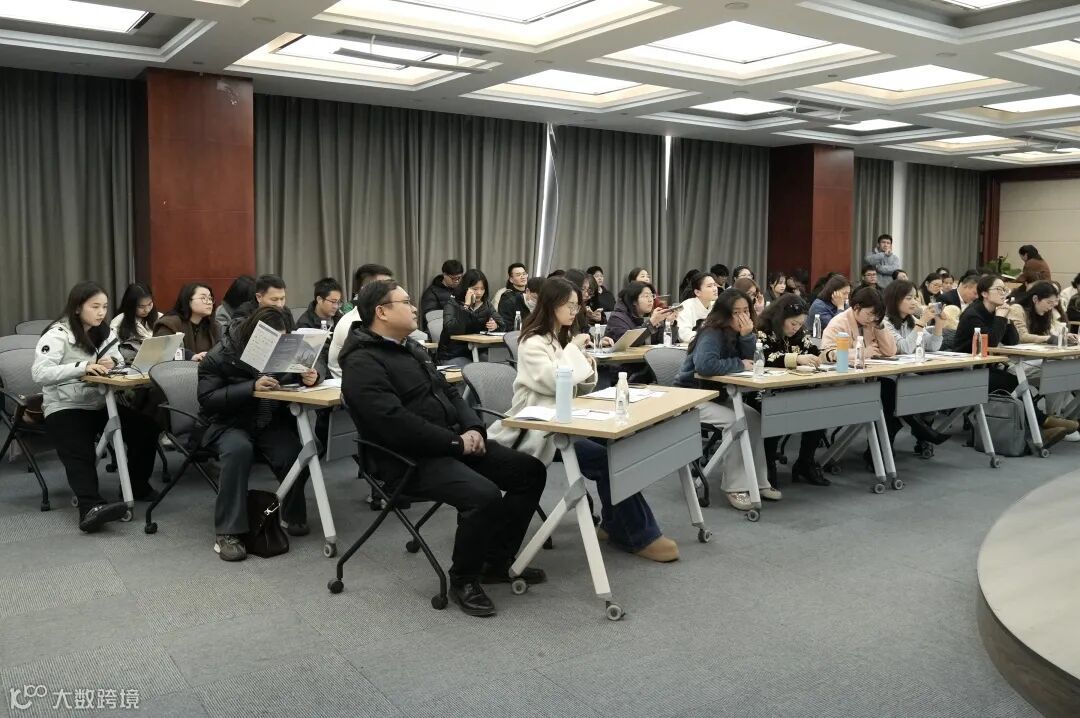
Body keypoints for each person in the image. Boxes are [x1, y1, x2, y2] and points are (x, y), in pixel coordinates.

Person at [340, 280, 547, 617]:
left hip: (450, 444)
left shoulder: (411, 348)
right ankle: (464, 579)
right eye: (406, 302)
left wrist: (473, 428)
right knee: (483, 495)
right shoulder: (361, 362)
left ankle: (496, 561)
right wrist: (455, 442)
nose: (414, 308)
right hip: (406, 459)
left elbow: (450, 394)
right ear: (382, 312)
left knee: (529, 471)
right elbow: (394, 424)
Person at [489, 278, 679, 561]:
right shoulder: (532, 341)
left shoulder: (557, 338)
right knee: (604, 460)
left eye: (577, 305)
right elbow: (555, 381)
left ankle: (616, 524)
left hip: (567, 419)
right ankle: (639, 535)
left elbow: (580, 386)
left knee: (618, 447)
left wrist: (583, 358)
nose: (574, 311)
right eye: (569, 305)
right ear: (551, 304)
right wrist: (574, 351)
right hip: (540, 426)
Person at [33, 281, 161, 532]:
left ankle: (137, 485)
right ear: (77, 307)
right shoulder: (57, 334)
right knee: (80, 450)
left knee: (147, 428)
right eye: (95, 307)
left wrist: (112, 362)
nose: (102, 312)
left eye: (104, 306)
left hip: (98, 402)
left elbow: (119, 359)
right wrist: (83, 367)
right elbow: (40, 373)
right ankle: (90, 508)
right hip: (64, 405)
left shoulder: (104, 332)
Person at [198, 307, 322, 561]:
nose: (278, 345)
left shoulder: (284, 345)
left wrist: (313, 376)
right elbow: (207, 399)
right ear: (255, 334)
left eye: (282, 340)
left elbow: (312, 364)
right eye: (272, 340)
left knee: (295, 453)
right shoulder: (221, 355)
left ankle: (292, 514)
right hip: (229, 422)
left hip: (267, 421)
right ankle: (228, 532)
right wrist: (251, 387)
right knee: (238, 450)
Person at [675, 289, 776, 508]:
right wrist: (738, 364)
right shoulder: (711, 332)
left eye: (746, 311)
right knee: (736, 422)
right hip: (691, 397)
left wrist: (747, 336)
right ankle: (735, 487)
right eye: (736, 312)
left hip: (716, 396)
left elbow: (750, 359)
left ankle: (758, 481)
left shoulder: (738, 331)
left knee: (754, 418)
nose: (742, 316)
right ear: (724, 313)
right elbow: (705, 365)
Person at [951, 275, 1077, 447]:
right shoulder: (973, 314)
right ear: (984, 294)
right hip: (966, 370)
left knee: (1015, 381)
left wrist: (1007, 318)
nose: (1003, 293)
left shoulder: (996, 312)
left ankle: (1041, 425)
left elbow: (1013, 341)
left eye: (1005, 289)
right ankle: (1040, 428)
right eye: (999, 289)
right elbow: (990, 343)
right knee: (1012, 382)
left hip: (985, 367)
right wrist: (1001, 318)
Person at [754, 295, 835, 487]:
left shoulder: (800, 333)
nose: (796, 328)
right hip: (766, 393)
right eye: (793, 323)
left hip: (795, 389)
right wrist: (796, 359)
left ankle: (806, 462)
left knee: (818, 410)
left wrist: (829, 355)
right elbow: (765, 356)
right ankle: (768, 465)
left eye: (800, 324)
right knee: (775, 414)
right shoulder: (763, 331)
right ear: (780, 318)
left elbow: (812, 351)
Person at [880, 280, 950, 454]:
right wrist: (922, 322)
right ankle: (923, 434)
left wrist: (939, 323)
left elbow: (933, 346)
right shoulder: (884, 321)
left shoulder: (911, 320)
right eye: (909, 298)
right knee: (905, 393)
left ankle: (922, 436)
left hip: (906, 374)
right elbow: (903, 348)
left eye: (916, 298)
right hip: (886, 376)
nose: (914, 303)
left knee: (928, 388)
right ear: (895, 299)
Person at [330, 264, 394, 378]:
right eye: (384, 286)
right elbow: (369, 367)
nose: (391, 291)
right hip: (347, 383)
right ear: (365, 290)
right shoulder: (352, 323)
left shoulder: (380, 315)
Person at [437, 268, 504, 367]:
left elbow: (502, 324)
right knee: (473, 371)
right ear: (466, 288)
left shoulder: (486, 304)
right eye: (475, 289)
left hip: (477, 351)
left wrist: (495, 325)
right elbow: (452, 329)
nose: (479, 293)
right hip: (453, 354)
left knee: (497, 366)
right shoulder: (452, 303)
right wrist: (466, 306)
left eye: (482, 289)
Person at [821, 286, 896, 361]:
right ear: (856, 307)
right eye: (869, 314)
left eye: (876, 315)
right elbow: (828, 354)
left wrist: (880, 325)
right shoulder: (838, 323)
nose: (871, 319)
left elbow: (890, 352)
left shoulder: (874, 322)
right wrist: (862, 353)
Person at [154, 282, 221, 361]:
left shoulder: (213, 326)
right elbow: (162, 348)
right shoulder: (170, 323)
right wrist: (190, 356)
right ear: (188, 300)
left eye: (210, 298)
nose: (209, 302)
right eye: (203, 298)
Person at [604, 281, 677, 345]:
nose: (651, 300)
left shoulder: (650, 315)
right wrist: (651, 323)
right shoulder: (617, 318)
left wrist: (669, 323)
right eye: (646, 296)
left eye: (652, 296)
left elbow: (664, 341)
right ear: (634, 301)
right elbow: (628, 343)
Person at [111, 283, 158, 363]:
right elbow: (112, 351)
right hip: (131, 365)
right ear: (130, 305)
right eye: (141, 306)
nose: (147, 310)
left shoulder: (159, 317)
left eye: (150, 304)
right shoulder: (118, 322)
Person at [229, 274, 293, 333]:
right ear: (259, 297)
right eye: (274, 299)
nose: (279, 304)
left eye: (282, 299)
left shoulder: (285, 311)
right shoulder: (243, 313)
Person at [419, 259, 464, 331]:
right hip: (442, 331)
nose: (456, 281)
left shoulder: (463, 289)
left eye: (459, 278)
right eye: (453, 278)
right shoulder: (432, 293)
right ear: (444, 275)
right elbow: (430, 317)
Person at [676, 271, 718, 344]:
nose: (715, 289)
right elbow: (684, 335)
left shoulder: (716, 306)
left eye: (715, 285)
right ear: (697, 292)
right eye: (709, 286)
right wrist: (709, 337)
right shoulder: (687, 306)